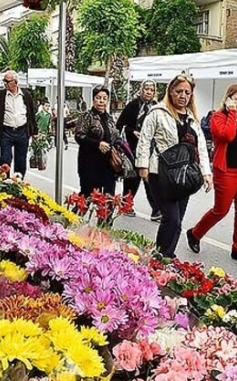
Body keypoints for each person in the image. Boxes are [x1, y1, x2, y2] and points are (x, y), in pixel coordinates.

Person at [136, 74, 212, 258]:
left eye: (187, 92)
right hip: (160, 173)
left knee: (177, 222)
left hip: (184, 176)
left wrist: (206, 173)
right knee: (171, 218)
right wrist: (143, 166)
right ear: (170, 91)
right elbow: (144, 140)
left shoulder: (192, 118)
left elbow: (200, 146)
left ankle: (167, 255)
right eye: (179, 91)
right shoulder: (157, 112)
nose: (183, 95)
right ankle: (161, 256)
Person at [186, 83, 237, 265]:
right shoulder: (217, 116)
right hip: (226, 171)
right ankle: (195, 233)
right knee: (221, 210)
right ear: (228, 98)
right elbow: (227, 135)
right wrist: (231, 112)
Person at [116, 79, 160, 220]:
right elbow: (119, 125)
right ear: (141, 90)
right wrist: (132, 131)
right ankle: (126, 205)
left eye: (151, 90)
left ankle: (156, 210)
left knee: (150, 178)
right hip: (132, 148)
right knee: (132, 178)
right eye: (146, 89)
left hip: (150, 149)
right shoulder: (133, 105)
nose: (148, 92)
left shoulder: (156, 107)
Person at [0, 70, 38, 178]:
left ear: (15, 82)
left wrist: (35, 132)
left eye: (7, 81)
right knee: (5, 158)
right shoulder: (0, 95)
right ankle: (5, 182)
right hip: (6, 131)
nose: (5, 83)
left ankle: (18, 183)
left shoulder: (26, 95)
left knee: (20, 160)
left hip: (22, 131)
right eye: (4, 81)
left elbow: (32, 114)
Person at [75, 86, 118, 196]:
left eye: (104, 98)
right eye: (98, 98)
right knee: (88, 196)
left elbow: (115, 135)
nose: (101, 101)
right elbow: (79, 136)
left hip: (108, 164)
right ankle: (76, 213)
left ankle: (105, 214)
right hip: (90, 163)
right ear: (93, 99)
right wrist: (97, 144)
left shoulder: (110, 118)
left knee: (109, 197)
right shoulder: (86, 116)